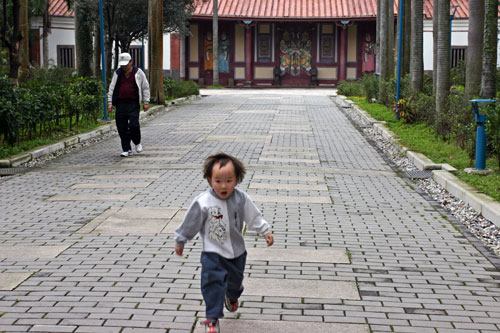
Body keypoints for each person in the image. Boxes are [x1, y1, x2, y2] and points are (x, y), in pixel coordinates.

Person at [174, 152, 274, 333]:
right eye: (218, 180)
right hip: (212, 254)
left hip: (237, 253)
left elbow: (254, 216)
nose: (223, 185)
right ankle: (212, 318)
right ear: (209, 179)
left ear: (237, 179)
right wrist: (181, 240)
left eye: (229, 180)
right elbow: (191, 222)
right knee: (211, 283)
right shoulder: (203, 202)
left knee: (235, 283)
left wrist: (264, 230)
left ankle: (232, 296)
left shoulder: (241, 199)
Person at [107, 52, 150, 157]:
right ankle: (127, 149)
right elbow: (112, 88)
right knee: (121, 127)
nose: (124, 66)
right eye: (122, 64)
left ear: (131, 62)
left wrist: (146, 102)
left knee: (134, 125)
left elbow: (145, 87)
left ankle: (137, 142)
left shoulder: (138, 73)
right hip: (121, 104)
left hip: (133, 103)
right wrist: (110, 102)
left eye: (126, 64)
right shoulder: (117, 73)